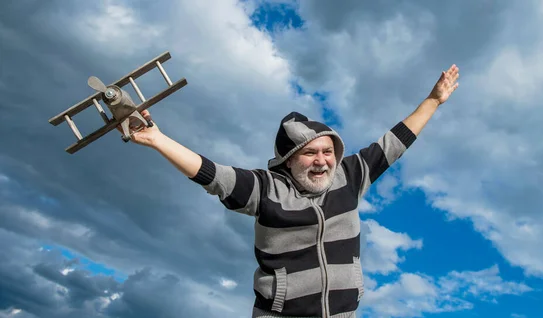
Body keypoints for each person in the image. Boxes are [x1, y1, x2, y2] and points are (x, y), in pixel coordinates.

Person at [126, 65, 459, 318]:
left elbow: (396, 141)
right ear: (288, 161)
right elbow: (212, 174)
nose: (322, 161)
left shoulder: (350, 176)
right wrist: (157, 139)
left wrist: (433, 100)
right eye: (310, 153)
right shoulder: (266, 189)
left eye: (328, 151)